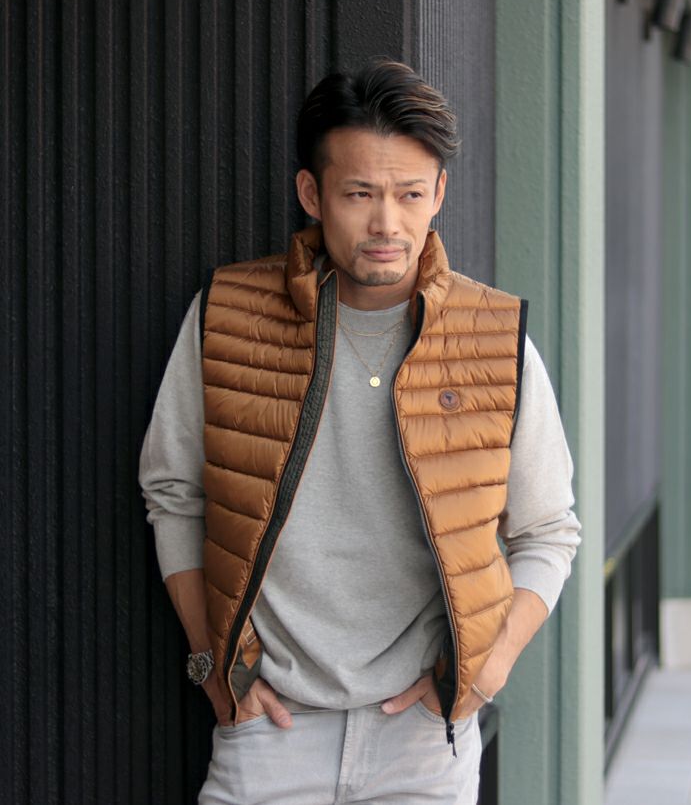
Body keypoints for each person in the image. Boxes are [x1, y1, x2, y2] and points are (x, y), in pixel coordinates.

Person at [138, 59, 581, 805]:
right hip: (268, 733)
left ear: (439, 194)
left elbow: (548, 531)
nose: (387, 224)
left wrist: (487, 670)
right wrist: (213, 664)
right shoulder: (229, 315)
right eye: (359, 194)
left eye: (410, 194)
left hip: (422, 743)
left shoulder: (494, 337)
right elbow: (174, 493)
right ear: (312, 194)